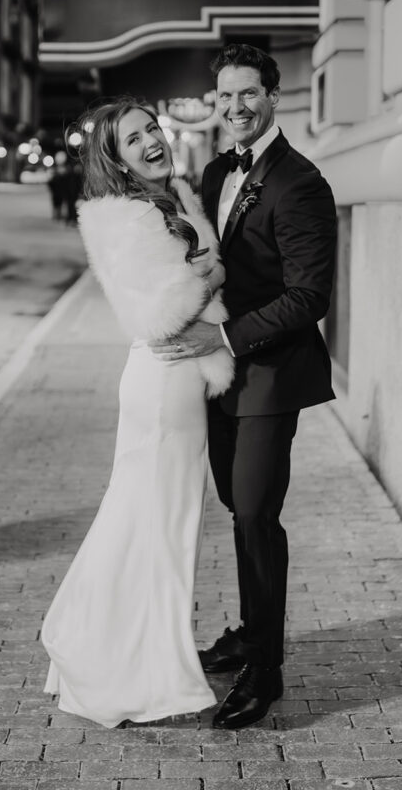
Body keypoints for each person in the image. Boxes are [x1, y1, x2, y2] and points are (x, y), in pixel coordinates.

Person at [151, 44, 337, 730]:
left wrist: (224, 338)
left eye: (247, 94)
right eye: (225, 96)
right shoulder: (211, 173)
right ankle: (250, 631)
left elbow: (308, 295)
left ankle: (266, 670)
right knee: (235, 501)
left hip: (269, 373)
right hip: (216, 373)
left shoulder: (300, 183)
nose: (234, 107)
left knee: (257, 513)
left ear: (273, 96)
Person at [41, 96, 234, 728]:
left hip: (182, 382)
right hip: (160, 382)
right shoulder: (121, 217)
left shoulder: (172, 197)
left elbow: (189, 292)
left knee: (163, 523)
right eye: (134, 138)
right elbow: (157, 316)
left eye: (152, 128)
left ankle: (118, 643)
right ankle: (137, 665)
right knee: (151, 523)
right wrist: (212, 272)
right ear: (116, 160)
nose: (152, 140)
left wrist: (205, 272)